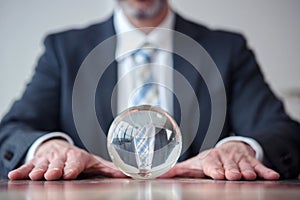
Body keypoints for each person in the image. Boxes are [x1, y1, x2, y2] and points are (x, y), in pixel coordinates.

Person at [1, 0, 299, 181]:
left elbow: (282, 131)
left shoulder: (226, 49)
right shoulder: (64, 50)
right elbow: (12, 130)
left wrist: (243, 149)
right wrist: (47, 147)